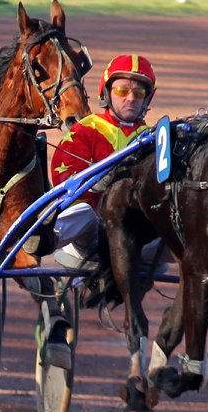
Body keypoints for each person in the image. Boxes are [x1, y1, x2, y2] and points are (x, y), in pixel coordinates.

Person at [44, 55, 159, 367]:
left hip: (136, 241)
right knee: (79, 213)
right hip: (88, 235)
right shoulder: (86, 131)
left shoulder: (154, 140)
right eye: (122, 91)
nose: (130, 99)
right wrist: (97, 183)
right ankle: (42, 241)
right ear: (107, 94)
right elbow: (62, 178)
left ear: (148, 99)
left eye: (138, 93)